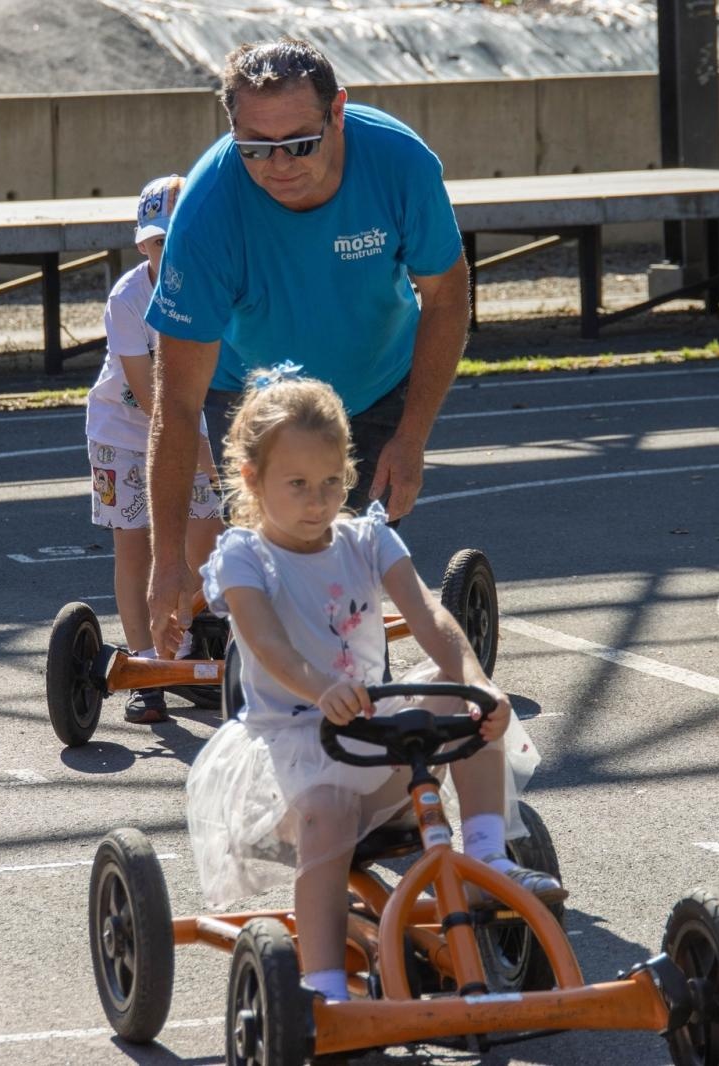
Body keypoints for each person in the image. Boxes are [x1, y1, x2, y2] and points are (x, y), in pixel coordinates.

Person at [184, 369, 561, 1004]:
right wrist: (320, 687)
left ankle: (487, 858)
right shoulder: (245, 556)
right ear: (252, 480)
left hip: (371, 738)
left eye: (332, 481)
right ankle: (325, 989)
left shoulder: (366, 539)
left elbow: (431, 616)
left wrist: (479, 682)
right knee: (330, 814)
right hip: (294, 760)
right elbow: (267, 642)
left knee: (460, 694)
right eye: (297, 484)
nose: (317, 501)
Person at [144, 37, 472, 657]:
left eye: (299, 142)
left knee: (340, 562)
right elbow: (177, 403)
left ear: (337, 112)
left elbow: (447, 296)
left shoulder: (400, 162)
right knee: (279, 554)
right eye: (255, 147)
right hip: (251, 395)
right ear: (232, 128)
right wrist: (168, 565)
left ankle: (339, 673)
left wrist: (412, 437)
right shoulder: (206, 211)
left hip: (374, 386)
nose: (279, 165)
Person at [84, 174, 225, 724]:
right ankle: (146, 664)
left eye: (181, 239)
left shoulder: (213, 287)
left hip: (189, 426)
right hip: (122, 434)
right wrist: (204, 459)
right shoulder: (128, 299)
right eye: (160, 241)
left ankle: (183, 646)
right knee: (136, 547)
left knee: (206, 537)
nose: (171, 251)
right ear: (144, 244)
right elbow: (151, 398)